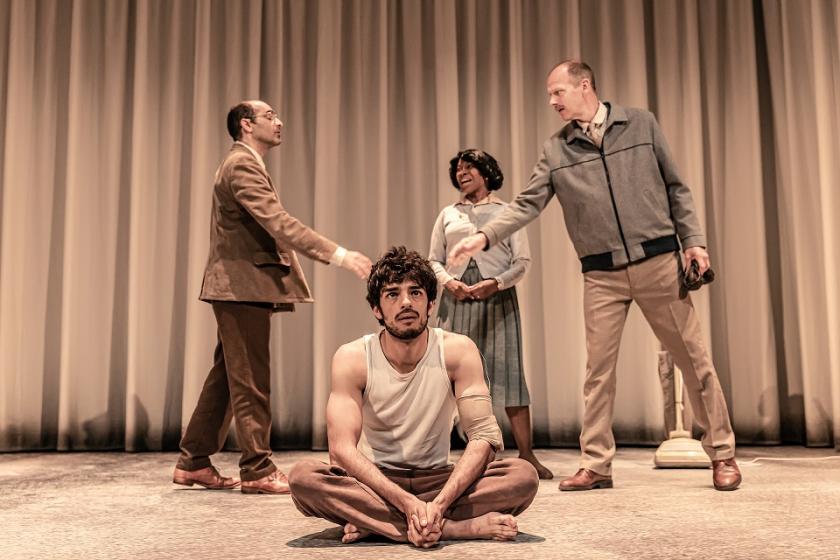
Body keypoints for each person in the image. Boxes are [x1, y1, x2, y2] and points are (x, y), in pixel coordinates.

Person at [448, 60, 741, 492]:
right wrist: (484, 237)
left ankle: (723, 453)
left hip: (658, 262)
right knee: (598, 373)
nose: (552, 101)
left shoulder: (640, 124)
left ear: (584, 85)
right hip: (601, 274)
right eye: (550, 95)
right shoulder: (556, 149)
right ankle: (597, 464)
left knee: (694, 361)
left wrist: (693, 241)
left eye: (557, 92)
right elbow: (527, 203)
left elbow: (676, 188)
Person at [172, 100, 372, 494]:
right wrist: (339, 254)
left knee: (228, 378)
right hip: (240, 286)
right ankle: (257, 468)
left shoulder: (244, 163)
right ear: (246, 125)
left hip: (239, 286)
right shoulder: (241, 165)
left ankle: (193, 461)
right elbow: (278, 222)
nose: (279, 122)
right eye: (269, 116)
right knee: (251, 380)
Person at [288, 247, 539, 547]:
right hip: (375, 482)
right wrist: (408, 504)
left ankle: (379, 524)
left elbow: (484, 436)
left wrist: (439, 503)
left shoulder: (458, 351)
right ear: (377, 309)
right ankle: (451, 529)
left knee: (522, 476)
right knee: (303, 478)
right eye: (393, 294)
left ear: (431, 303)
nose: (406, 302)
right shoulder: (352, 358)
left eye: (415, 292)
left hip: (439, 481)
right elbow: (341, 451)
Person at [428, 149, 552, 479]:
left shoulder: (507, 213)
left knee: (508, 373)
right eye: (458, 169)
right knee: (448, 376)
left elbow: (522, 262)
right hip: (456, 299)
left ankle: (527, 454)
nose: (462, 173)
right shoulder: (448, 214)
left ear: (486, 173)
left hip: (497, 300)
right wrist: (448, 282)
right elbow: (433, 259)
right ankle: (443, 456)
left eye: (469, 167)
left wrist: (496, 283)